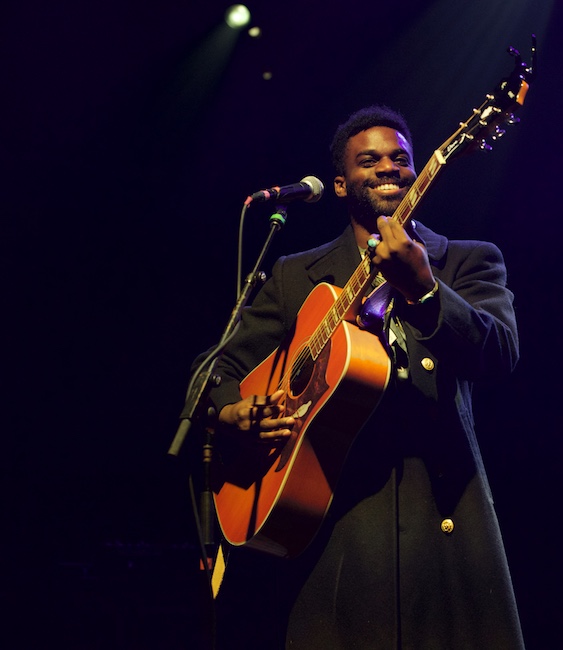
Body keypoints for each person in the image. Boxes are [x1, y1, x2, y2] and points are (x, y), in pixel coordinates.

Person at [203, 105, 524, 648]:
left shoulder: (464, 261)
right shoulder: (293, 276)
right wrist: (236, 411)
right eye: (368, 160)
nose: (387, 168)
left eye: (400, 159)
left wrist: (424, 290)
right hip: (333, 526)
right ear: (339, 183)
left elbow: (500, 352)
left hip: (440, 520)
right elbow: (218, 368)